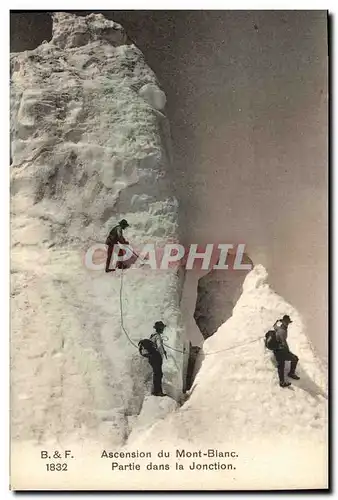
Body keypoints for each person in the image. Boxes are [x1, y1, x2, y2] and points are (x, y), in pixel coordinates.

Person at [270, 314, 300, 388]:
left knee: (281, 364)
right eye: (286, 322)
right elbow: (284, 343)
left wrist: (276, 323)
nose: (287, 323)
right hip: (281, 350)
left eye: (288, 322)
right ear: (283, 322)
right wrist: (288, 352)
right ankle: (290, 374)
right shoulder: (283, 331)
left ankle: (282, 381)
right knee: (295, 358)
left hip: (276, 350)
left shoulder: (279, 328)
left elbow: (275, 327)